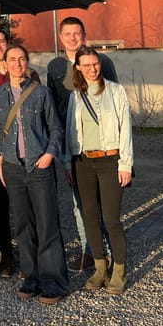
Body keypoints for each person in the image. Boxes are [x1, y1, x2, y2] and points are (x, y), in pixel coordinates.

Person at [0, 45, 69, 305]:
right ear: (5, 63)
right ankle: (31, 276)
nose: (17, 64)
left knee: (47, 223)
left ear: (27, 63)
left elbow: (56, 129)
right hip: (13, 167)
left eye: (21, 59)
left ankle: (53, 281)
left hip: (39, 166)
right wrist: (0, 159)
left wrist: (49, 155)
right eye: (12, 59)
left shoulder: (42, 93)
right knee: (24, 225)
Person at [47, 16, 118, 272]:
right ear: (60, 36)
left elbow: (114, 99)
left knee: (103, 202)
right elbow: (52, 105)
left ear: (84, 35)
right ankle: (92, 251)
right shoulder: (55, 66)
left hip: (100, 143)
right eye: (67, 33)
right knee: (80, 202)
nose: (72, 37)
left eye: (77, 33)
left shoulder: (102, 62)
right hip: (71, 144)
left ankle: (108, 251)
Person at [66, 46, 133, 295]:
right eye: (86, 65)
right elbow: (70, 130)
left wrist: (125, 163)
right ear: (78, 68)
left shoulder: (115, 91)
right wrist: (67, 162)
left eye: (95, 64)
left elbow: (125, 128)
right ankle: (100, 268)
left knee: (111, 219)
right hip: (83, 162)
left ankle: (119, 271)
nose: (92, 69)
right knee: (90, 217)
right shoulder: (76, 95)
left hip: (110, 161)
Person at [0, 27, 40, 277]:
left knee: (27, 204)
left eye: (2, 42)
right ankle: (4, 255)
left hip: (24, 147)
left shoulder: (30, 73)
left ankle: (30, 254)